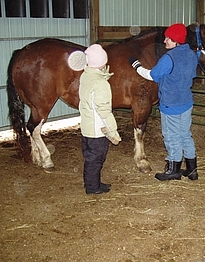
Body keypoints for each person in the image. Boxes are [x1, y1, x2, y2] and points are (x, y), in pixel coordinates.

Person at [129, 23, 198, 181]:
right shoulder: (191, 54)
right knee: (185, 135)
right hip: (186, 102)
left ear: (176, 41)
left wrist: (136, 66)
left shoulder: (169, 58)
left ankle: (173, 170)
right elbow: (191, 75)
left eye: (169, 38)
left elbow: (152, 75)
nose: (165, 40)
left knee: (171, 136)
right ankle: (192, 169)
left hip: (171, 104)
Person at [79, 44, 121, 194]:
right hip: (97, 129)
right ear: (102, 62)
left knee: (92, 157)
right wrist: (112, 129)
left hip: (87, 126)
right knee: (96, 158)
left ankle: (94, 182)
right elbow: (103, 109)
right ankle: (92, 187)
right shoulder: (101, 83)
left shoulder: (86, 76)